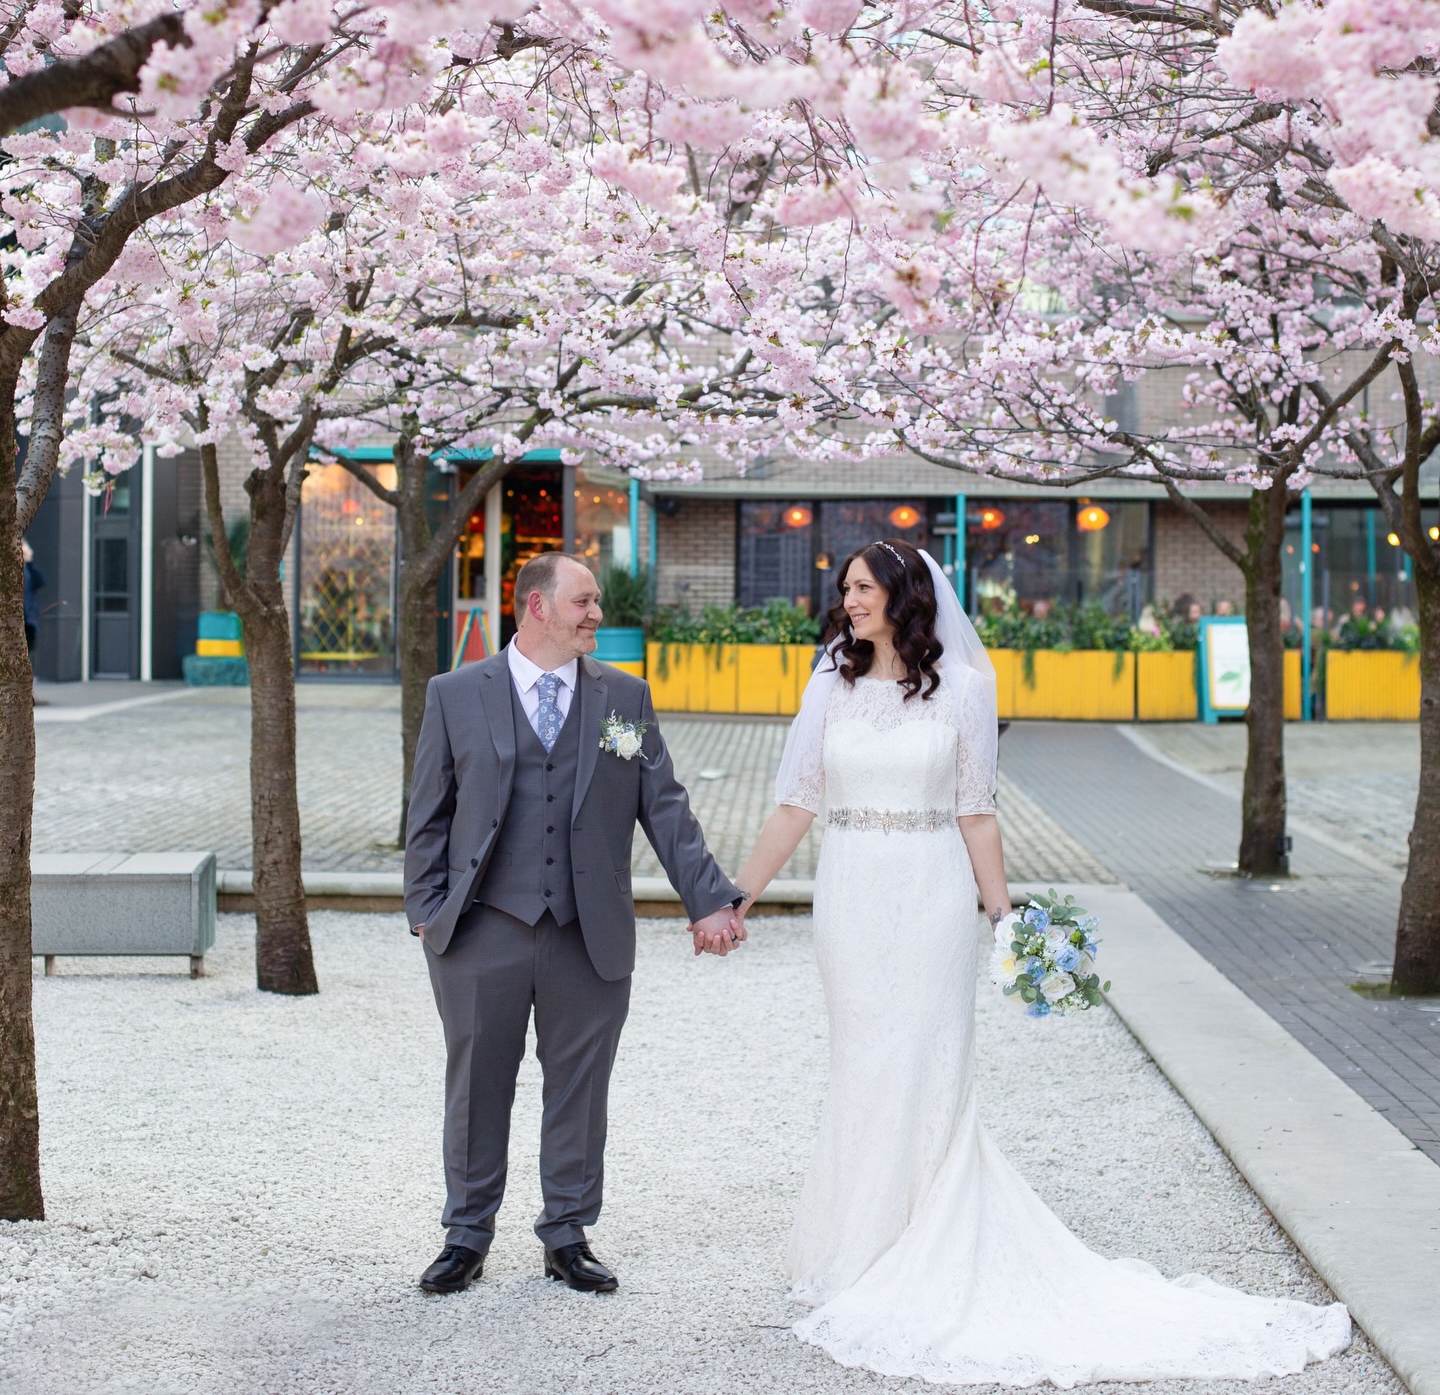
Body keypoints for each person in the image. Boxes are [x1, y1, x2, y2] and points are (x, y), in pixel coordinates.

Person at [717, 539, 1350, 1385]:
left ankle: (924, 1237)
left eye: (864, 588)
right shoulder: (829, 681)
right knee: (862, 1059)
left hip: (932, 894)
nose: (850, 601)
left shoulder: (967, 691)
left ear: (905, 596)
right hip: (851, 894)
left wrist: (1005, 916)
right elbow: (796, 802)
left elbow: (976, 813)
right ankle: (856, 1240)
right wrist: (741, 897)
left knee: (922, 1059)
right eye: (847, 590)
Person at [403, 552, 745, 1298]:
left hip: (587, 933)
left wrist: (709, 899)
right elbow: (427, 816)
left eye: (596, 603)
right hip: (480, 930)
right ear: (536, 607)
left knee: (580, 1090)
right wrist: (428, 915)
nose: (596, 614)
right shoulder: (456, 694)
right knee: (476, 1086)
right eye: (584, 602)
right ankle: (466, 1235)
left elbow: (665, 807)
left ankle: (567, 1234)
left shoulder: (624, 696)